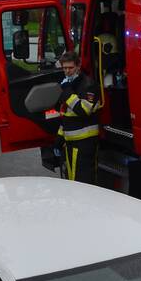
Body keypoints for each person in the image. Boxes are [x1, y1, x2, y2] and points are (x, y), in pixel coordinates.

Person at [56, 51, 102, 183]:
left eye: (70, 68)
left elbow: (83, 110)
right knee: (72, 179)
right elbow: (65, 114)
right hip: (70, 142)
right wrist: (59, 138)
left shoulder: (88, 85)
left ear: (78, 66)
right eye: (64, 68)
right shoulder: (70, 85)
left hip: (85, 142)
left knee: (83, 182)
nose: (67, 71)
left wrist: (67, 92)